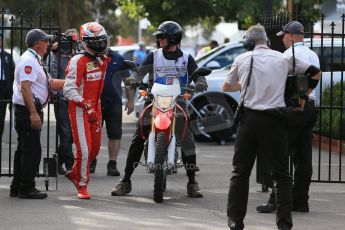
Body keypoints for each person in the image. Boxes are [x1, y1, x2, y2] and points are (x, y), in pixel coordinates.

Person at [223, 25, 321, 230]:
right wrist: (302, 96)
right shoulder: (283, 58)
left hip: (249, 120)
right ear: (266, 41)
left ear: (249, 42)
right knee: (282, 175)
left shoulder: (242, 59)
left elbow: (226, 86)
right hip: (275, 121)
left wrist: (249, 83)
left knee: (240, 172)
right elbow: (315, 74)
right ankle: (284, 224)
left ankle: (235, 221)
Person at [111, 21, 207, 198]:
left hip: (178, 101)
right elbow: (139, 73)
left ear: (173, 38)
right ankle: (125, 181)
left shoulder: (187, 57)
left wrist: (200, 82)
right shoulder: (153, 55)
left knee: (187, 140)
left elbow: (197, 74)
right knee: (138, 138)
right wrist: (134, 79)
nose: (160, 39)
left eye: (162, 36)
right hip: (154, 100)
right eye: (159, 37)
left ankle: (192, 182)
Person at [256, 21, 320, 214]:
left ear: (291, 36)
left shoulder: (289, 55)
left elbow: (280, 82)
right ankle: (301, 202)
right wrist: (306, 95)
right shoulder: (312, 54)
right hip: (309, 108)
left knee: (280, 156)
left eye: (284, 35)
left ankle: (275, 200)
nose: (283, 39)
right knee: (303, 158)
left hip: (293, 108)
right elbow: (315, 77)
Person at [10, 28, 64, 199]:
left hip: (28, 109)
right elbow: (25, 88)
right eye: (46, 41)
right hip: (27, 110)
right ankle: (26, 188)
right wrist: (33, 113)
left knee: (25, 149)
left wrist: (73, 82)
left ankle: (18, 186)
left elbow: (49, 83)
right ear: (37, 43)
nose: (48, 44)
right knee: (31, 150)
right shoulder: (29, 60)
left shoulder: (35, 59)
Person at [63, 22, 110, 199]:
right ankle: (81, 184)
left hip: (96, 107)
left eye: (101, 41)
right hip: (80, 109)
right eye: (95, 41)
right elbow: (68, 90)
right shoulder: (78, 60)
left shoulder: (102, 58)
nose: (99, 44)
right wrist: (85, 105)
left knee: (95, 150)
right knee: (84, 148)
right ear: (85, 41)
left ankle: (75, 172)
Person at [89, 47, 134, 176]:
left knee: (115, 134)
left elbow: (128, 81)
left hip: (114, 102)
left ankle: (112, 164)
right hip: (94, 103)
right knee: (92, 133)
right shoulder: (90, 57)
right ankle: (91, 161)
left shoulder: (119, 59)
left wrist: (130, 101)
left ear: (108, 41)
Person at [49, 29, 79, 175]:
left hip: (75, 99)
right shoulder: (57, 54)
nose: (72, 44)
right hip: (61, 99)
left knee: (73, 135)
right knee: (66, 134)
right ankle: (70, 165)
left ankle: (56, 162)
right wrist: (54, 94)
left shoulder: (77, 53)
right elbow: (52, 74)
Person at [0, 33, 15, 138]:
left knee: (1, 116)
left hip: (4, 87)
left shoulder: (7, 56)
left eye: (0, 40)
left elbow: (12, 73)